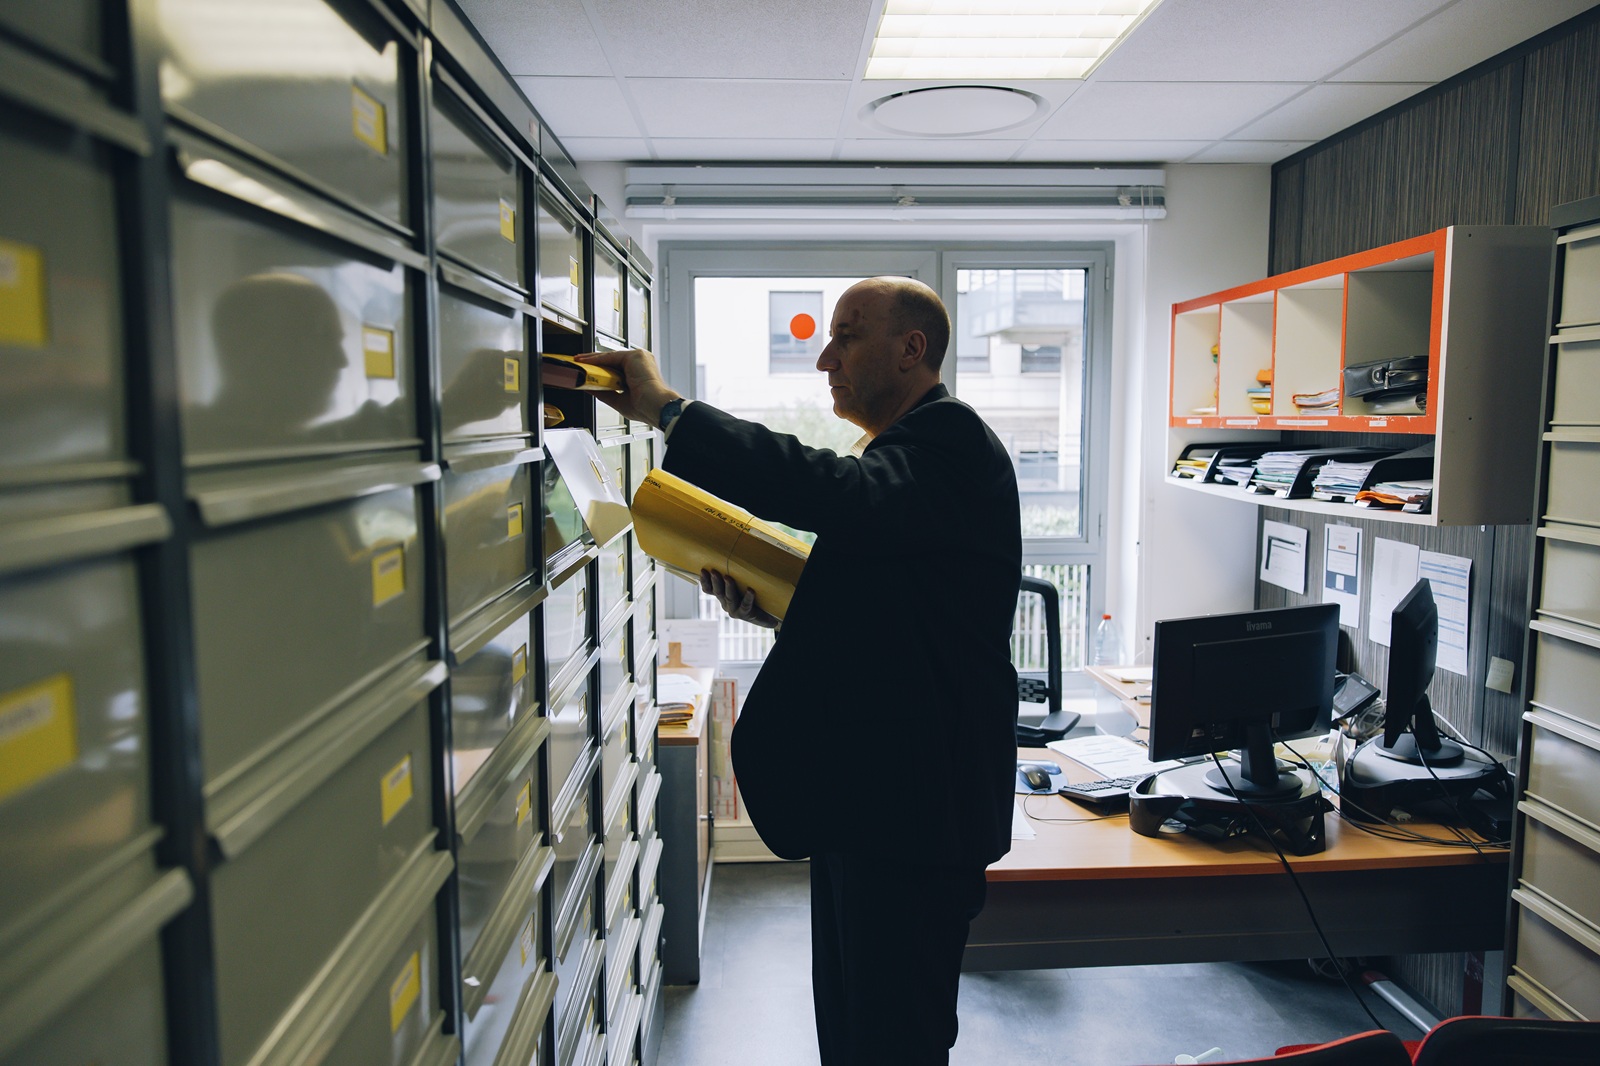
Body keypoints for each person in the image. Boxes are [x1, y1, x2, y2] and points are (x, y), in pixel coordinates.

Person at [579, 276, 1021, 1065]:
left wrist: (670, 413)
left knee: (893, 1042)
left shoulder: (950, 444)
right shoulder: (906, 461)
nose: (826, 359)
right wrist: (777, 610)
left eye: (848, 336)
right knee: (854, 1036)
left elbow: (832, 492)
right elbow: (901, 616)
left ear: (912, 350)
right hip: (872, 807)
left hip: (915, 824)